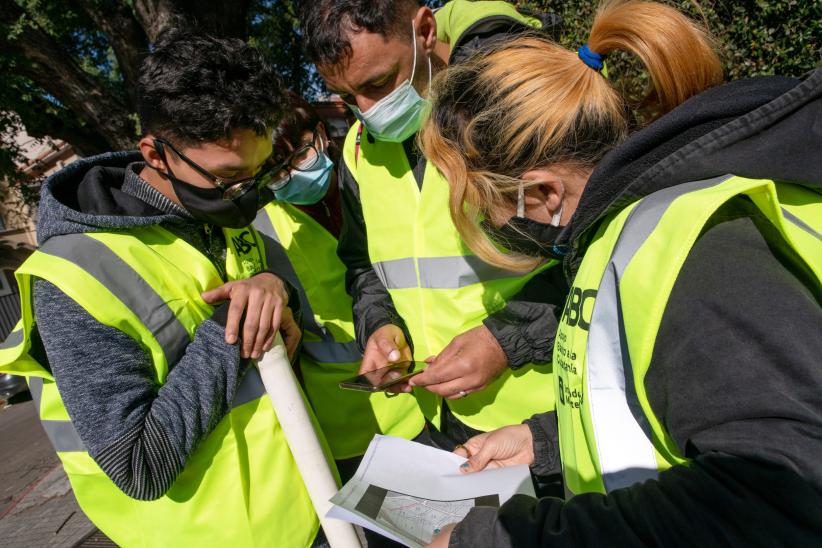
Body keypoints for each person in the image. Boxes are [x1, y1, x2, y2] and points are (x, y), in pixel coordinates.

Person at [418, 1, 822, 546]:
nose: (485, 224)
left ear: (541, 193)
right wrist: (545, 440)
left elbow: (782, 500)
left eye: (480, 205)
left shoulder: (703, 250)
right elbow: (658, 403)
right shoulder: (618, 239)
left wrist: (505, 540)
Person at [0, 31, 326, 547]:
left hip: (313, 510)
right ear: (155, 153)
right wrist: (231, 329)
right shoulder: (73, 275)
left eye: (258, 172)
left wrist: (272, 284)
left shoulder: (211, 212)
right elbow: (139, 465)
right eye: (227, 179)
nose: (247, 194)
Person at [300, 0, 567, 457]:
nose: (367, 111)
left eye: (379, 83)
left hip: (550, 416)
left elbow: (602, 251)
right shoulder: (358, 154)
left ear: (424, 31)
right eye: (348, 97)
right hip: (442, 420)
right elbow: (365, 266)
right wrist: (381, 326)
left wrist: (506, 340)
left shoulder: (517, 111)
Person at [253, 92, 427, 547]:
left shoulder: (368, 174)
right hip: (351, 439)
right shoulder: (261, 232)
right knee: (402, 538)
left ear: (321, 133)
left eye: (300, 153)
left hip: (425, 400)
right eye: (276, 172)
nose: (294, 175)